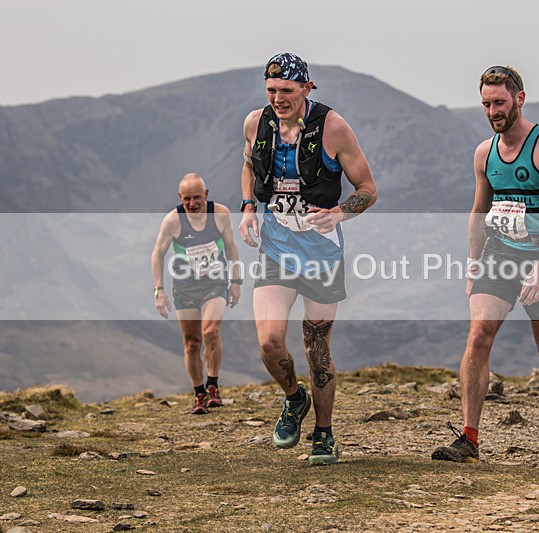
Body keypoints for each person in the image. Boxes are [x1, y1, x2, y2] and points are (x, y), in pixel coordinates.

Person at [432, 65, 539, 465]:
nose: (493, 111)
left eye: (500, 103)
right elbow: (478, 211)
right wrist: (473, 262)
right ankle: (469, 437)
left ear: (519, 99)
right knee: (478, 337)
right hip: (499, 255)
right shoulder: (484, 153)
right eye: (486, 104)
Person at [239, 52, 377, 466]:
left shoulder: (333, 128)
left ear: (306, 88)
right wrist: (248, 205)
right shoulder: (256, 122)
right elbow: (247, 165)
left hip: (321, 252)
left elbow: (368, 188)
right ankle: (294, 398)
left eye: (287, 90)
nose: (278, 98)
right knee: (268, 341)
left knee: (316, 346)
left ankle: (324, 434)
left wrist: (340, 212)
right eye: (271, 90)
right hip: (276, 247)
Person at [151, 173, 241, 414]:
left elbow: (232, 247)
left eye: (197, 198)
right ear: (180, 198)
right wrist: (159, 290)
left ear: (207, 195)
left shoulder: (220, 214)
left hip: (215, 284)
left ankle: (213, 386)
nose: (192, 204)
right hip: (185, 289)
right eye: (187, 199)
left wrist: (235, 281)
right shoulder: (173, 220)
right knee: (192, 343)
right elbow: (157, 254)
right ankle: (199, 393)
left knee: (211, 331)